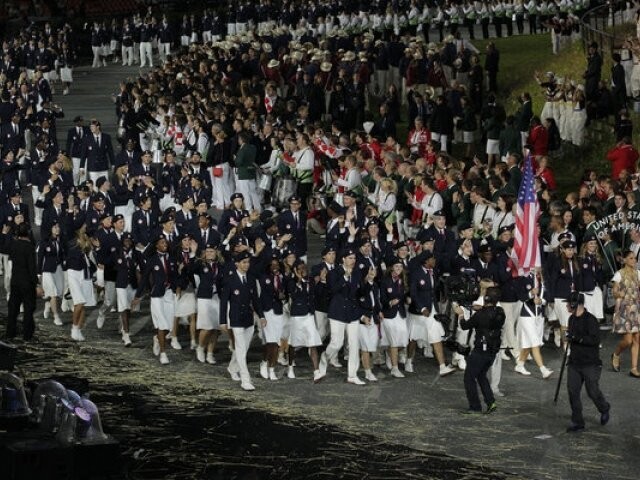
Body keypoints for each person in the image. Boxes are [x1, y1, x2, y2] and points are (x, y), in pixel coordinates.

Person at [219, 251, 267, 391]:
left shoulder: (251, 279)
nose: (246, 265)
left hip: (248, 319)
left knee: (243, 348)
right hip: (236, 319)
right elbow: (223, 302)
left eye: (248, 262)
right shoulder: (229, 280)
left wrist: (261, 316)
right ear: (237, 264)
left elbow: (256, 300)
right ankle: (246, 380)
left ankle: (232, 368)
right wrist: (223, 321)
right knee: (240, 349)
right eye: (244, 262)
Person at [565, 292, 610, 432]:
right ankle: (578, 421)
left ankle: (604, 408)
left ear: (576, 304)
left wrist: (576, 338)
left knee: (592, 391)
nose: (566, 306)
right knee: (573, 392)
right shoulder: (571, 319)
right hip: (575, 363)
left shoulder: (591, 320)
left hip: (590, 363)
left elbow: (594, 340)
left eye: (569, 303)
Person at [458, 286, 505, 414]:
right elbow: (490, 312)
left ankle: (475, 406)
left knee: (469, 377)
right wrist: (480, 308)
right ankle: (491, 403)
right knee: (481, 375)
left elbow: (464, 326)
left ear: (486, 298)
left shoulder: (480, 315)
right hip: (492, 351)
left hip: (480, 351)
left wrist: (461, 315)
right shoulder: (501, 312)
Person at [0, 223, 42, 340]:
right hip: (27, 284)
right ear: (28, 233)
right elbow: (32, 268)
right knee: (28, 311)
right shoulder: (29, 247)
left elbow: (2, 247)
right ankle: (27, 336)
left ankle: (10, 334)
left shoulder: (14, 245)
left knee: (13, 310)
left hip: (15, 282)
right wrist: (37, 284)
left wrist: (4, 233)